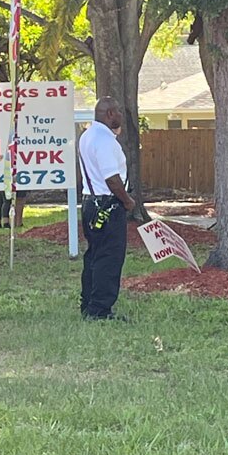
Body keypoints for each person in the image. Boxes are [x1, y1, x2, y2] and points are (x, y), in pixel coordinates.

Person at [78, 97, 135, 321]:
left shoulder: (88, 135)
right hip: (108, 204)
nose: (121, 114)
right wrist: (127, 201)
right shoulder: (104, 140)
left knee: (93, 255)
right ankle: (100, 310)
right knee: (109, 258)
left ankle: (88, 303)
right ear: (110, 113)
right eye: (118, 111)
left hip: (90, 202)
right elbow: (112, 178)